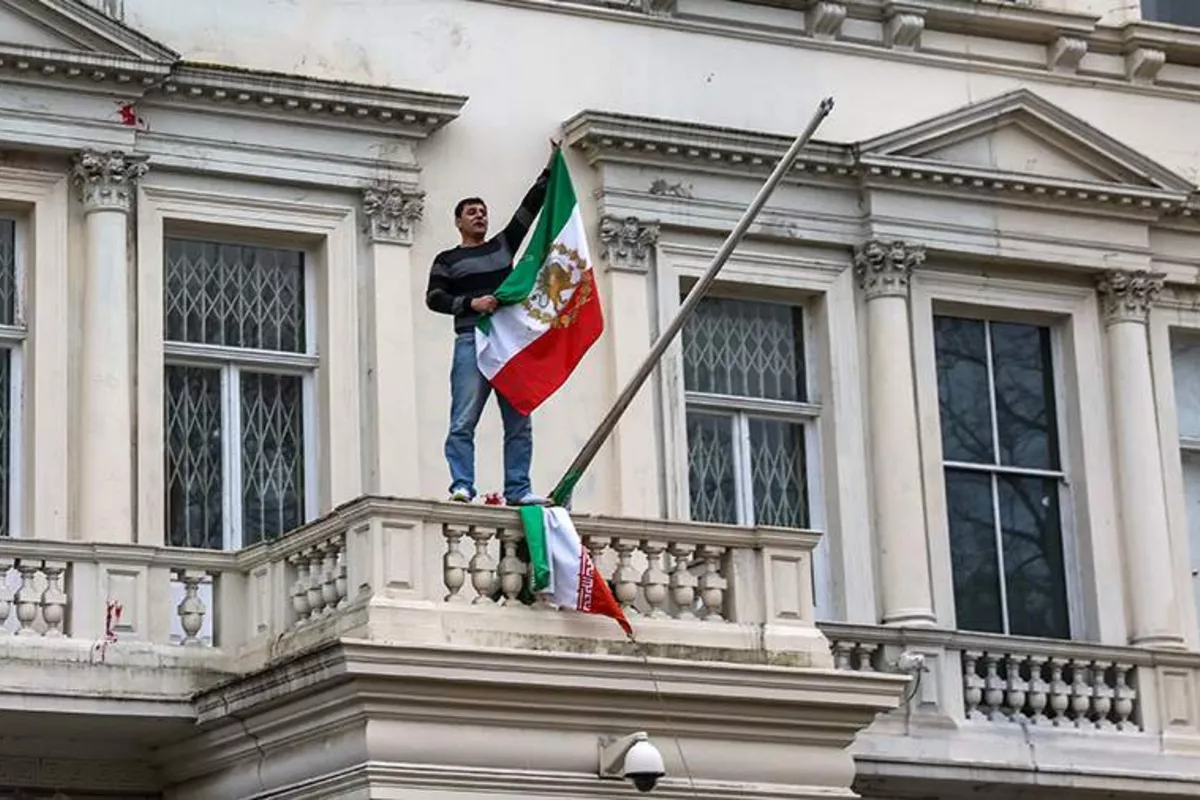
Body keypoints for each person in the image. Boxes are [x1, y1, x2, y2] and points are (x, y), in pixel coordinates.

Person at [425, 145, 557, 505]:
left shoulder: (501, 247)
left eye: (483, 212)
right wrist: (470, 303)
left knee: (519, 418)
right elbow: (434, 298)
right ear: (458, 221)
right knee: (463, 418)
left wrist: (549, 171)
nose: (479, 217)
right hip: (471, 338)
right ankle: (462, 484)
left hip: (506, 340)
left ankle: (518, 489)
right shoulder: (447, 260)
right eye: (472, 212)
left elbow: (526, 215)